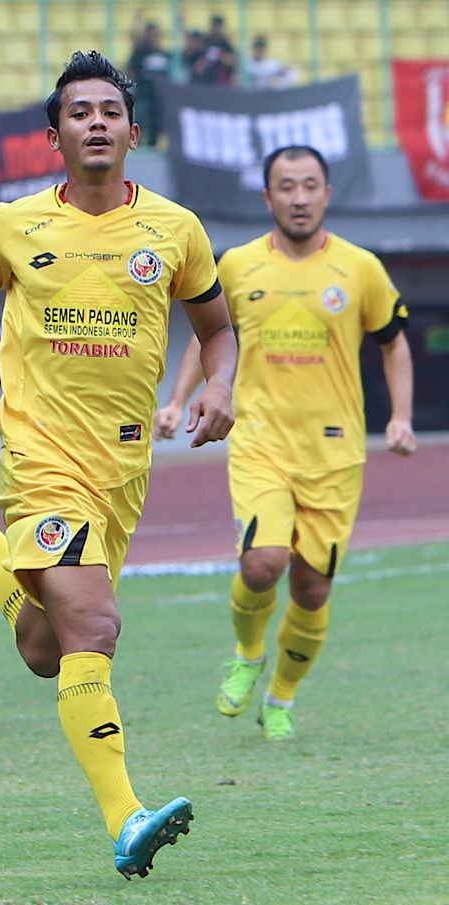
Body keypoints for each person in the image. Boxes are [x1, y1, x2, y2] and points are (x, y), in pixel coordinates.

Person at [0, 52, 237, 880]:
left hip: (122, 468)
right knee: (95, 629)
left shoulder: (175, 229)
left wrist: (220, 384)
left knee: (47, 649)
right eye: (79, 112)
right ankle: (126, 820)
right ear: (55, 136)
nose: (96, 123)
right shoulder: (12, 225)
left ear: (132, 131)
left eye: (109, 111)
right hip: (41, 458)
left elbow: (218, 328)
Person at [153, 146, 414, 740]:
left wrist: (399, 416)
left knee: (312, 586)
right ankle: (247, 655)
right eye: (286, 187)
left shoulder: (361, 268)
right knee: (264, 561)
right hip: (260, 439)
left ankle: (281, 698)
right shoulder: (240, 265)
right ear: (268, 198)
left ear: (326, 194)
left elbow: (393, 341)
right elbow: (209, 332)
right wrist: (177, 398)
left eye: (310, 186)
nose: (299, 197)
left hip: (336, 451)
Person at [127, 23, 170, 148]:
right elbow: (131, 70)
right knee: (140, 123)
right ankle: (137, 146)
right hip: (144, 95)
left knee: (156, 127)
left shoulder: (164, 54)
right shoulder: (140, 53)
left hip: (159, 97)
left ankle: (153, 145)